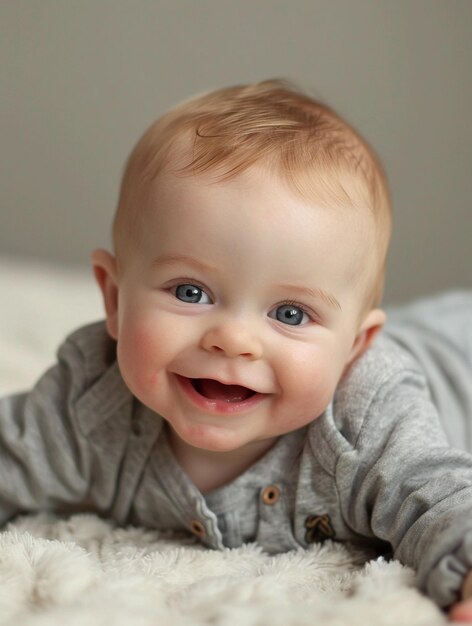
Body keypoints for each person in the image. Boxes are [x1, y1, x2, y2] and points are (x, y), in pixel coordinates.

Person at [1, 79, 472, 621]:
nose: (234, 339)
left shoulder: (365, 420)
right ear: (113, 296)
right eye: (190, 292)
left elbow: (440, 500)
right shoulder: (88, 407)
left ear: (355, 347)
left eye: (290, 314)